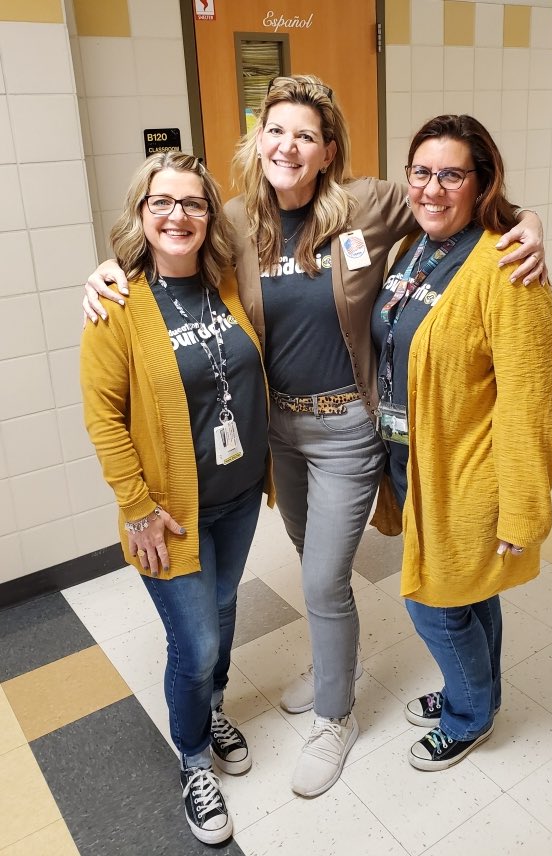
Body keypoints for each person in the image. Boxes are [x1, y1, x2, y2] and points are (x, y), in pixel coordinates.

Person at [82, 76, 547, 798]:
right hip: (279, 432)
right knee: (310, 557)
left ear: (329, 149)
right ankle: (338, 663)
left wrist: (529, 224)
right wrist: (107, 268)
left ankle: (336, 713)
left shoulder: (365, 204)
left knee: (327, 578)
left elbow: (457, 203)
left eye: (307, 134)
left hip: (348, 427)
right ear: (257, 140)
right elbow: (165, 245)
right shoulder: (231, 220)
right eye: (276, 130)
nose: (289, 146)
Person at [80, 151, 271, 844]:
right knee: (195, 643)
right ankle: (193, 760)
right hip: (167, 513)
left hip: (240, 494)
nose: (177, 216)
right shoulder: (117, 303)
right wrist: (134, 506)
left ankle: (211, 707)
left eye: (192, 203)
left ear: (209, 216)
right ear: (140, 213)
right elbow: (103, 417)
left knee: (221, 612)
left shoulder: (225, 282)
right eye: (161, 202)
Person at [370, 114, 552, 771]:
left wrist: (523, 507)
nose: (432, 188)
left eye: (452, 174)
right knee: (473, 593)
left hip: (466, 472)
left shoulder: (507, 264)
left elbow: (530, 401)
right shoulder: (415, 248)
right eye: (422, 172)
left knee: (433, 605)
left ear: (482, 182)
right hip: (412, 461)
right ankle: (475, 691)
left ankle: (469, 715)